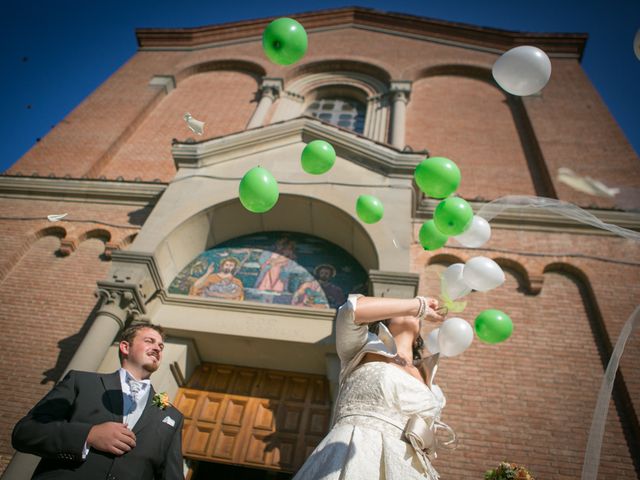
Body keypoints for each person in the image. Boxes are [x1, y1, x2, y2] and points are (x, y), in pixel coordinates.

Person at [293, 294, 454, 480]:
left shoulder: (430, 383)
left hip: (408, 467)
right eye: (403, 307)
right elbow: (352, 310)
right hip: (353, 453)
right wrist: (418, 304)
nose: (411, 312)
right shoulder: (363, 348)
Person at [12, 324, 184, 480]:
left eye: (161, 346)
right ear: (125, 347)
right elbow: (26, 432)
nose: (157, 348)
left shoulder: (171, 415)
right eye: (150, 341)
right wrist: (88, 435)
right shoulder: (81, 382)